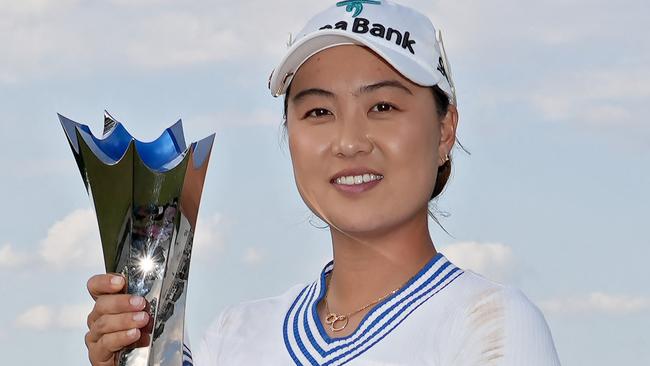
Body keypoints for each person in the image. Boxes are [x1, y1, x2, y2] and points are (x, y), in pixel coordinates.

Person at [84, 1, 562, 365]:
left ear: (445, 130)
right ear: (288, 136)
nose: (349, 142)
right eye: (318, 112)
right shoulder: (235, 337)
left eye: (383, 107)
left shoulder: (490, 323)